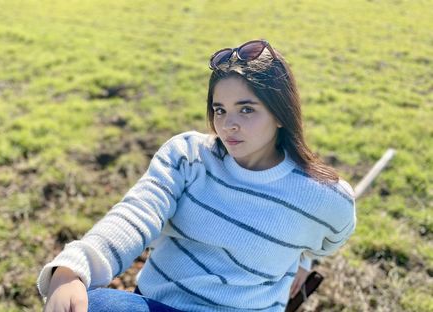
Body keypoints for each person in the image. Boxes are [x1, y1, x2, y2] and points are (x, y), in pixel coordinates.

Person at [37, 39, 357, 312]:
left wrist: (303, 262)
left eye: (246, 109)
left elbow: (323, 243)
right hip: (159, 305)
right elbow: (136, 215)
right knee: (98, 305)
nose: (228, 124)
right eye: (220, 109)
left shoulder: (326, 198)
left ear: (280, 114)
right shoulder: (188, 156)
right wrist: (72, 266)